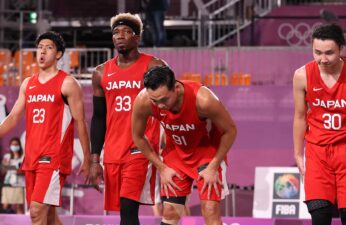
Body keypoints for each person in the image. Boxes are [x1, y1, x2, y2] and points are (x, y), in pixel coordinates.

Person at [0, 31, 91, 225]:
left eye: (48, 48)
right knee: (48, 217)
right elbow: (14, 116)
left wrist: (87, 157)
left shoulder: (67, 83)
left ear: (58, 54)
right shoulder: (28, 83)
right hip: (31, 157)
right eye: (40, 47)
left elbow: (81, 122)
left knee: (36, 212)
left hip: (53, 158)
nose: (42, 52)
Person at [132, 66, 237, 225]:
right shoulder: (144, 101)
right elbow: (138, 137)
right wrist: (162, 167)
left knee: (210, 211)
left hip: (207, 155)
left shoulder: (203, 100)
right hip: (175, 156)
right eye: (155, 101)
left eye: (164, 100)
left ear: (177, 88)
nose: (160, 106)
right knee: (170, 213)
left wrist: (214, 166)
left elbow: (230, 131)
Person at [88, 12, 166, 225]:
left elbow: (169, 105)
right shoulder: (101, 72)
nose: (119, 36)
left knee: (128, 209)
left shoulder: (154, 67)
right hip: (113, 151)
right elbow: (98, 118)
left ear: (137, 38)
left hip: (140, 147)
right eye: (115, 32)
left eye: (125, 32)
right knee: (124, 210)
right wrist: (95, 159)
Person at [293, 23, 346, 225]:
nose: (322, 59)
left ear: (341, 49)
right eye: (317, 52)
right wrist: (297, 154)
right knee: (319, 217)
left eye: (329, 53)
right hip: (317, 152)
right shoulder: (301, 75)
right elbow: (300, 116)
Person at [1, 137, 25, 214]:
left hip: (19, 184)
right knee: (5, 205)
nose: (14, 146)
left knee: (19, 206)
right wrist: (5, 166)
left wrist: (13, 168)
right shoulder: (7, 156)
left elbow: (24, 171)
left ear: (19, 145)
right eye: (12, 144)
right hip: (8, 183)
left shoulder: (23, 157)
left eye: (16, 144)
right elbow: (2, 172)